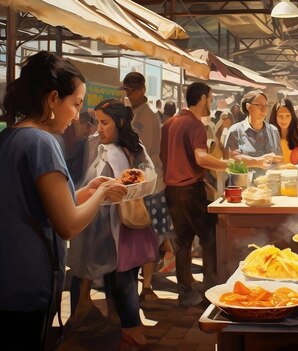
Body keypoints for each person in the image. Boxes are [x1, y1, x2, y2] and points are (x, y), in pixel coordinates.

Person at [0, 51, 127, 351]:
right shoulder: (42, 142)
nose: (76, 117)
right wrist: (101, 194)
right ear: (53, 98)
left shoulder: (10, 138)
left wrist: (87, 189)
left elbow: (37, 204)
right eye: (76, 105)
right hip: (27, 283)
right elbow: (67, 224)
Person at [67, 99, 156, 347]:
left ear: (120, 122)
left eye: (104, 122)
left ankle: (128, 326)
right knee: (82, 271)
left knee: (123, 274)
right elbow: (73, 180)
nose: (99, 128)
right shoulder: (88, 145)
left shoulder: (133, 147)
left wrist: (133, 184)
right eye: (97, 122)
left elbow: (148, 174)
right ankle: (79, 322)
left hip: (122, 222)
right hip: (91, 221)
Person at [161, 82, 234, 306]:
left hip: (171, 190)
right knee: (209, 238)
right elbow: (201, 158)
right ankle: (210, 290)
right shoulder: (195, 125)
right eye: (210, 99)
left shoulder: (169, 123)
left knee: (183, 241)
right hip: (190, 190)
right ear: (201, 99)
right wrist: (226, 165)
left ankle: (185, 291)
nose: (210, 103)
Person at [121, 72, 171, 302]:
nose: (129, 94)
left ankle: (147, 286)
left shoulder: (149, 116)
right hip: (136, 183)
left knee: (149, 234)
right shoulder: (131, 113)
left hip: (151, 183)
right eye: (126, 90)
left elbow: (147, 148)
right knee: (136, 234)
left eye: (132, 89)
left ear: (141, 89)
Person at [224, 90, 282, 173]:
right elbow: (230, 159)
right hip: (243, 183)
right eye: (259, 105)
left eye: (266, 105)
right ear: (248, 106)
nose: (264, 109)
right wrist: (257, 161)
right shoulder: (236, 131)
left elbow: (278, 158)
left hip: (269, 183)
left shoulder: (273, 131)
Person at [269, 99, 298, 165]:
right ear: (275, 117)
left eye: (287, 115)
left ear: (292, 116)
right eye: (280, 116)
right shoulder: (268, 135)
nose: (284, 119)